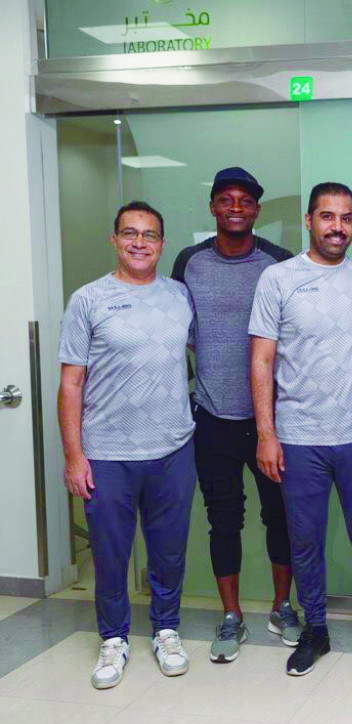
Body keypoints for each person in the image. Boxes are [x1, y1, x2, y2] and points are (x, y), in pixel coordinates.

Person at [248, 182, 352, 676]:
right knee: (305, 540)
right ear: (310, 220)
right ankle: (315, 628)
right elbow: (261, 359)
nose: (338, 227)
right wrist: (266, 434)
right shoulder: (278, 279)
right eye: (328, 216)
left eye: (346, 217)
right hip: (299, 437)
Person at [58, 201, 196, 689]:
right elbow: (71, 383)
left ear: (162, 243)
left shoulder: (180, 295)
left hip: (173, 449)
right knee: (111, 555)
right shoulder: (88, 300)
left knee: (169, 553)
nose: (140, 242)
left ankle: (166, 630)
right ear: (114, 240)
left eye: (150, 235)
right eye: (130, 233)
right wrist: (74, 456)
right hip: (108, 453)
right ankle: (113, 639)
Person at [171, 167, 299, 663]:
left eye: (245, 201)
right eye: (226, 199)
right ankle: (231, 616)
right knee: (223, 521)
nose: (236, 208)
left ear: (257, 210)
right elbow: (176, 328)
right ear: (213, 208)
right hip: (213, 417)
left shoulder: (278, 262)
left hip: (272, 421)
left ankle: (282, 607)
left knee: (280, 516)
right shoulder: (190, 262)